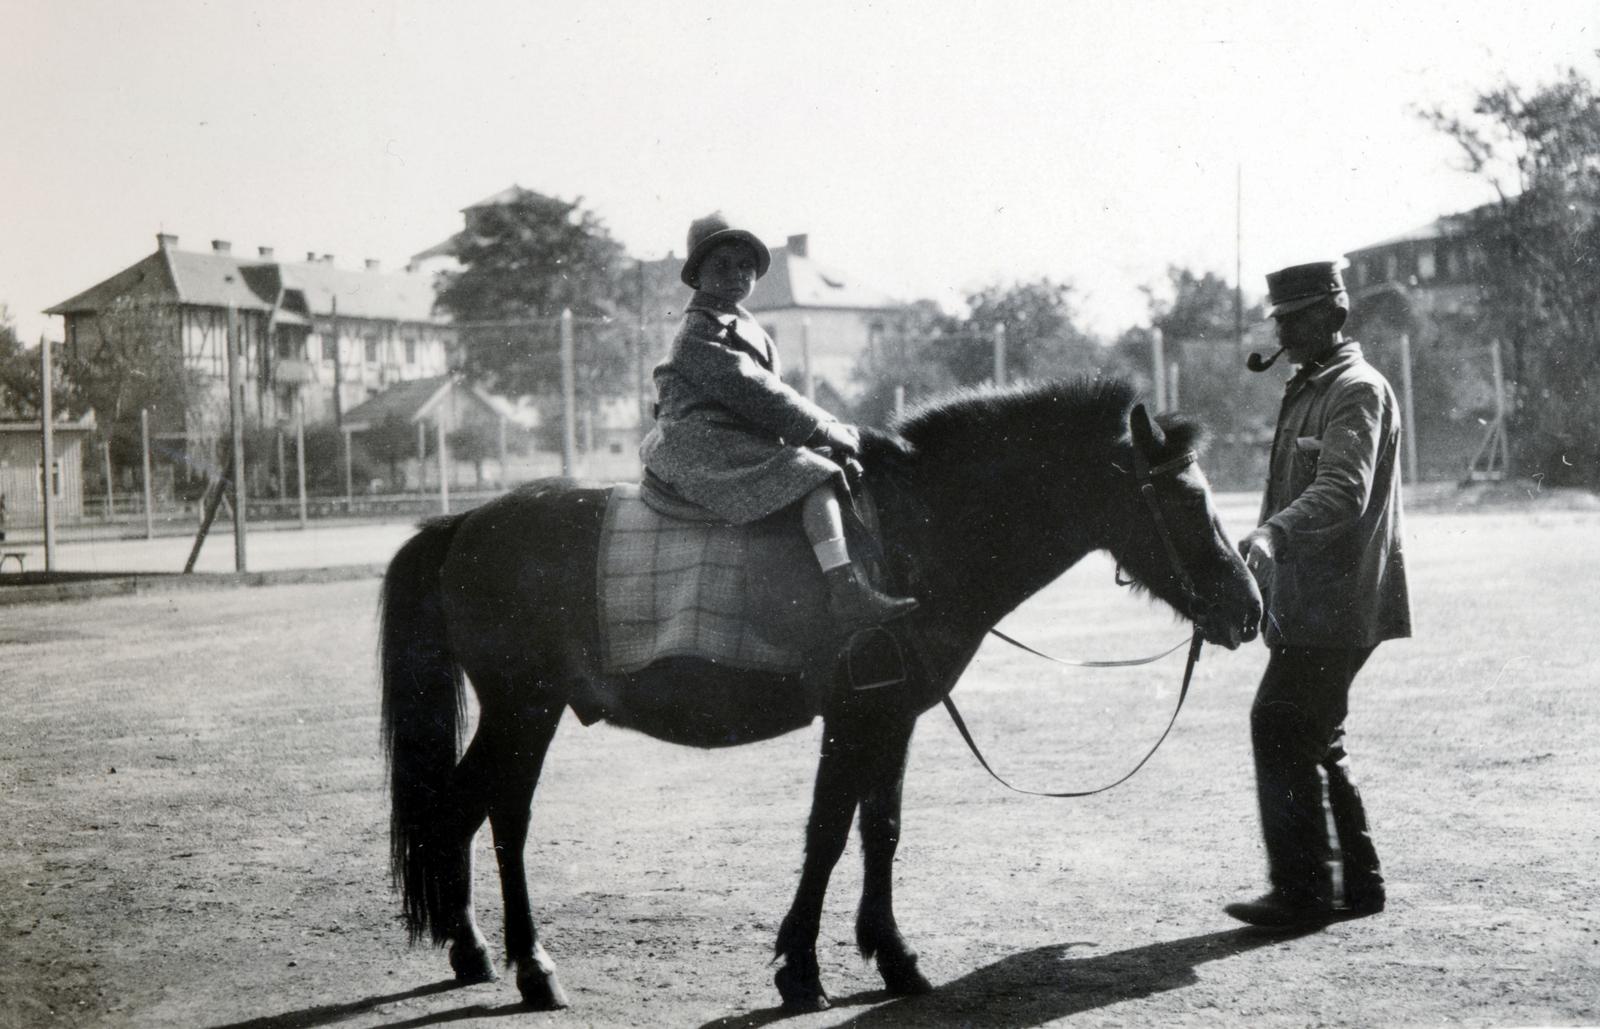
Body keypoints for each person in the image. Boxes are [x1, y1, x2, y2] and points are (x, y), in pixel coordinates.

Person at [1227, 260, 1412, 928]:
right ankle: (1357, 883)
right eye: (1280, 318)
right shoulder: (1312, 387)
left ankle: (1302, 892)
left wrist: (1274, 533)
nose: (1285, 329)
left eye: (1298, 316)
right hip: (1313, 598)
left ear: (1335, 313)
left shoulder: (1356, 389)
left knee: (1277, 720)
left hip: (1342, 600)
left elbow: (1342, 489)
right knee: (1314, 732)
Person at [640, 212, 917, 632]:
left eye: (745, 266)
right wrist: (826, 428)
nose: (736, 275)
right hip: (700, 442)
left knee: (826, 459)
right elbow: (758, 393)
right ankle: (845, 590)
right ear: (697, 276)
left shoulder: (742, 323)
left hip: (730, 433)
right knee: (815, 475)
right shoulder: (698, 332)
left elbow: (771, 397)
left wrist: (826, 431)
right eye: (721, 266)